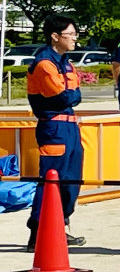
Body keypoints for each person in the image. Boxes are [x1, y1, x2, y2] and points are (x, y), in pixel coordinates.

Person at [25, 15, 86, 249]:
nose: (75, 38)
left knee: (72, 180)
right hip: (54, 127)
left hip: (70, 126)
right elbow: (62, 96)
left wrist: (72, 95)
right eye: (70, 34)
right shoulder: (44, 63)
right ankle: (39, 229)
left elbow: (75, 95)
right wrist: (72, 95)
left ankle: (58, 225)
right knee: (51, 180)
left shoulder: (65, 62)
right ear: (55, 36)